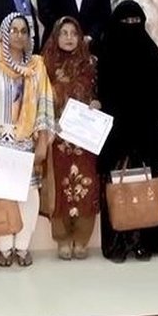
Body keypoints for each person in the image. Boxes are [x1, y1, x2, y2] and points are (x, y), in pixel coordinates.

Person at [0, 13, 55, 268]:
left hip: (27, 142)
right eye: (14, 30)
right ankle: (5, 248)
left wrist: (43, 141)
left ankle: (22, 247)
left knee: (29, 196)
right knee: (3, 197)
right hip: (1, 141)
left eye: (24, 31)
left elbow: (45, 104)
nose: (19, 35)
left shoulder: (36, 66)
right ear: (4, 33)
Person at [96, 1, 158, 262]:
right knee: (116, 191)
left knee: (143, 190)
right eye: (125, 23)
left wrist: (143, 127)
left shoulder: (152, 53)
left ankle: (142, 243)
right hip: (115, 135)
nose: (130, 28)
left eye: (135, 22)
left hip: (145, 133)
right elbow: (102, 94)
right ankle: (116, 244)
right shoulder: (106, 53)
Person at [41, 17, 100, 260]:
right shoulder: (44, 64)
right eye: (63, 33)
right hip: (57, 136)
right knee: (61, 188)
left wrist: (97, 102)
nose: (68, 38)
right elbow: (39, 98)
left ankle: (82, 239)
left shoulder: (91, 63)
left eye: (73, 33)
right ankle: (62, 239)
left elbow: (98, 93)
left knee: (86, 186)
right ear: (55, 36)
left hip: (84, 137)